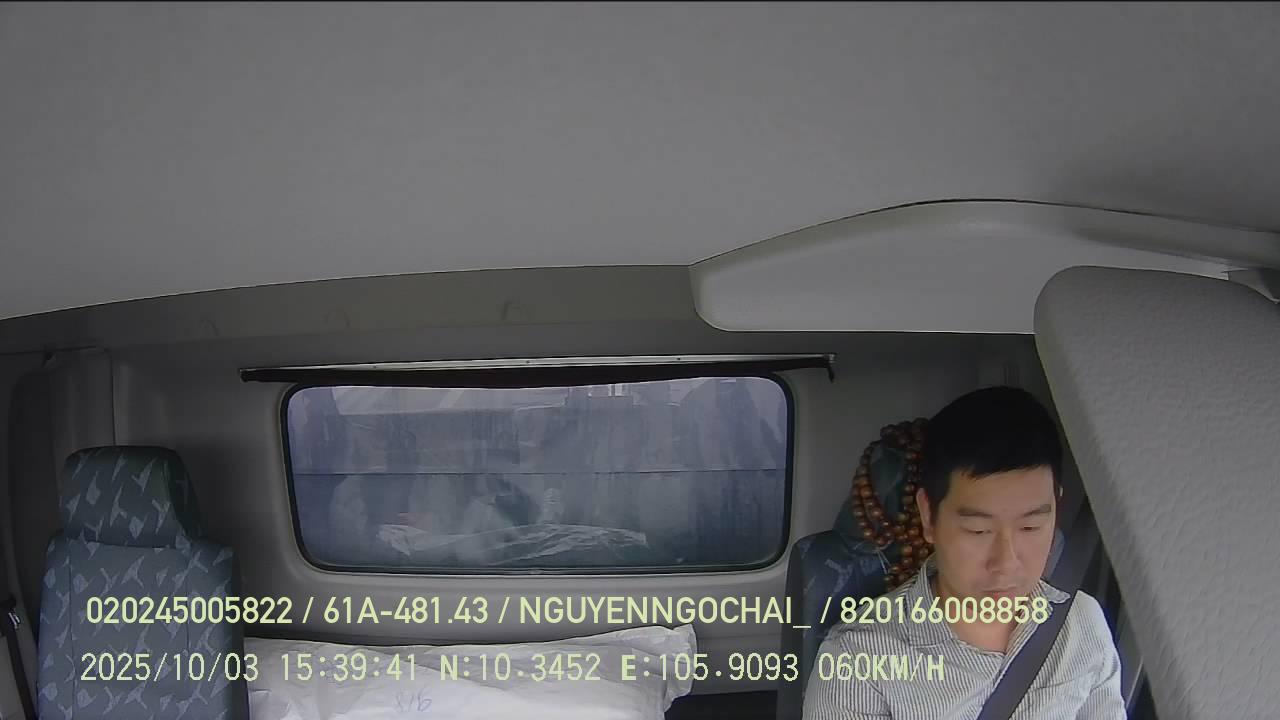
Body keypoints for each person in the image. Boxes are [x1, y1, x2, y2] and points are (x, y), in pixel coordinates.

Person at [803, 386, 1125, 719]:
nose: (1006, 563)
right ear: (929, 516)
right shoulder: (857, 662)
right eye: (978, 531)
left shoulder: (1081, 622)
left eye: (1030, 527)